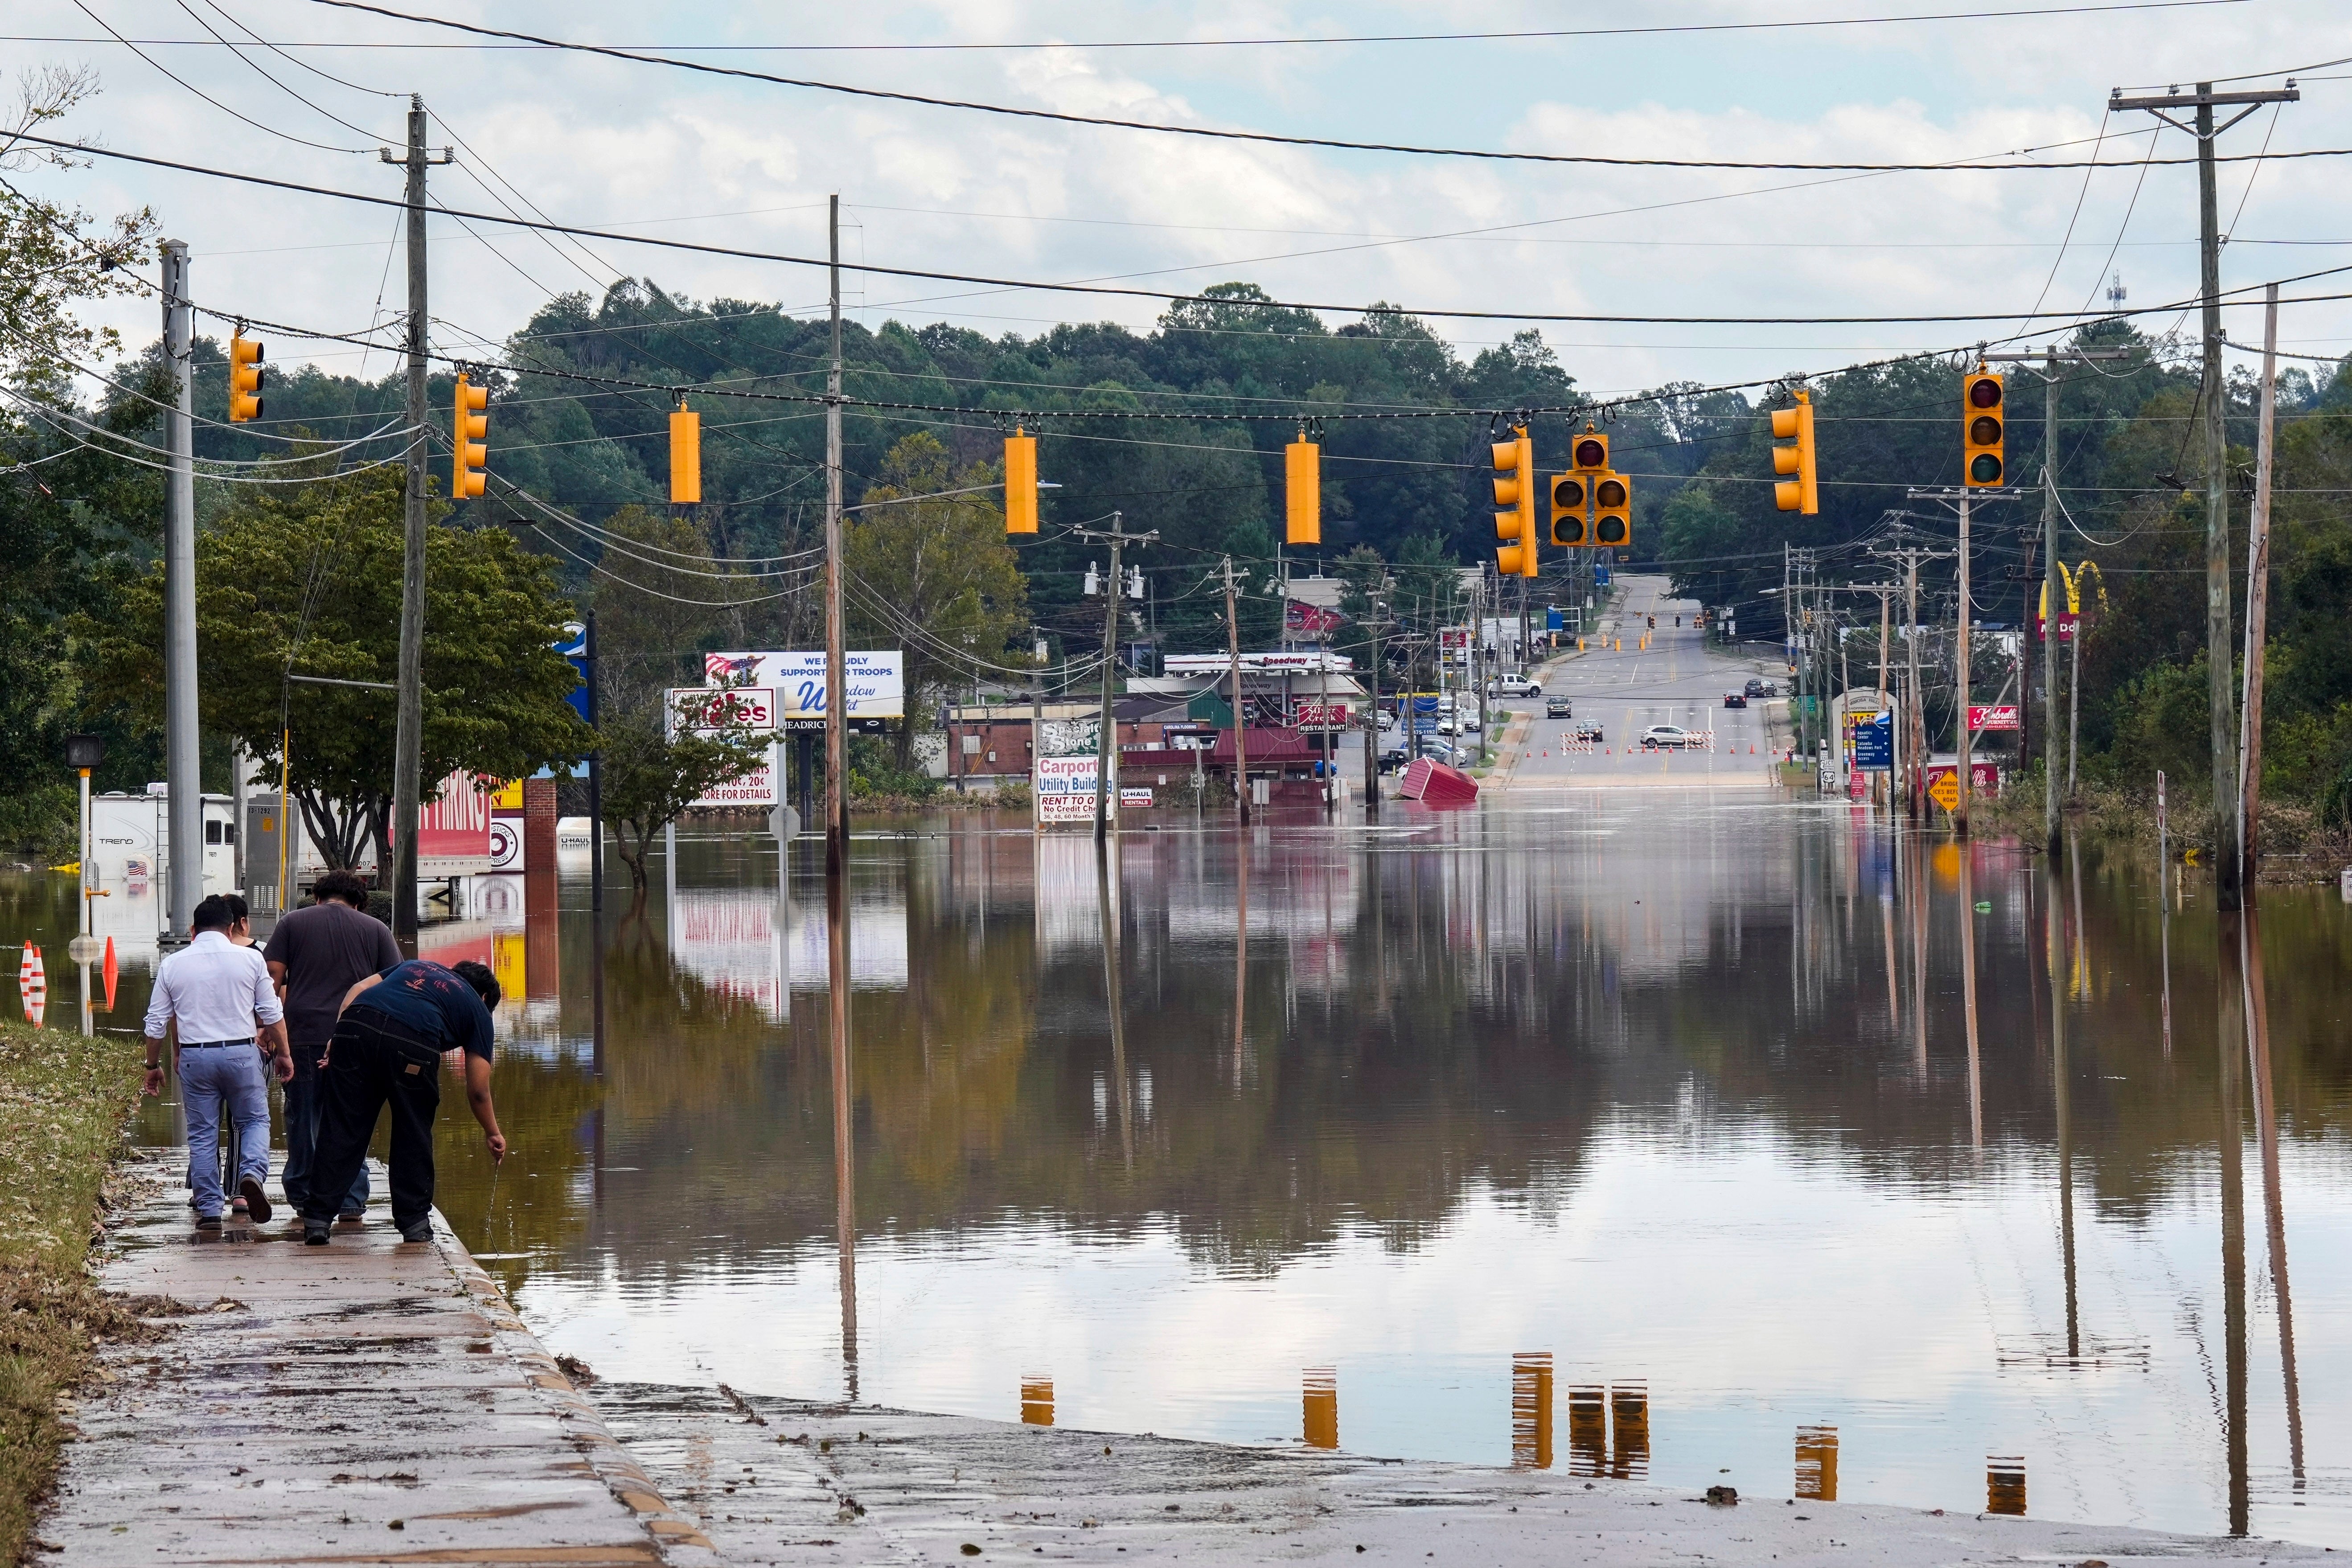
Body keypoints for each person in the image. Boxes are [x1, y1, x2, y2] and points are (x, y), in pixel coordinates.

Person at [301, 957, 507, 1246]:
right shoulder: (478, 1011)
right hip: (412, 1042)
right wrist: (493, 1132)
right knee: (412, 1131)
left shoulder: (414, 966)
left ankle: (317, 1221)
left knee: (342, 1125)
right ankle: (414, 1225)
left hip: (355, 1026)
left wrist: (338, 1037)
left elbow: (359, 988)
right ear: (485, 997)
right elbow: (478, 1090)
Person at [142, 893, 293, 1229]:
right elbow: (271, 1013)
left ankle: (210, 1210)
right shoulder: (251, 960)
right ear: (231, 928)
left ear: (193, 929)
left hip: (196, 1057)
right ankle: (250, 1174)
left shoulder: (172, 964)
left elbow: (156, 1023)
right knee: (254, 1121)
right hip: (241, 1052)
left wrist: (153, 1066)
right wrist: (284, 1053)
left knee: (202, 1133)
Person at [262, 870, 398, 1223]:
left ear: (318, 897)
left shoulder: (292, 923)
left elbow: (271, 980)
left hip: (302, 1035)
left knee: (305, 1118)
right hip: (357, 1038)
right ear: (359, 901)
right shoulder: (376, 930)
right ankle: (351, 1200)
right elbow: (395, 985)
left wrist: (265, 1027)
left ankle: (307, 1199)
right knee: (351, 1118)